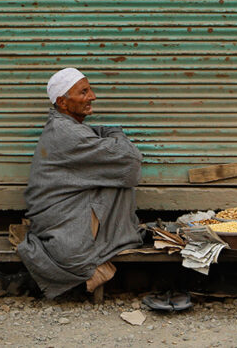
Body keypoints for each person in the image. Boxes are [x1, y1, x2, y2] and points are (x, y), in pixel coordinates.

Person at [17, 68, 143, 298]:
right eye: (83, 92)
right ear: (63, 103)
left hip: (55, 222)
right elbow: (130, 162)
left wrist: (112, 138)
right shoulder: (68, 134)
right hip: (64, 235)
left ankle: (115, 236)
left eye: (90, 90)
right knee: (117, 177)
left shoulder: (67, 128)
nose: (92, 96)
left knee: (110, 173)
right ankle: (108, 246)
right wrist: (117, 135)